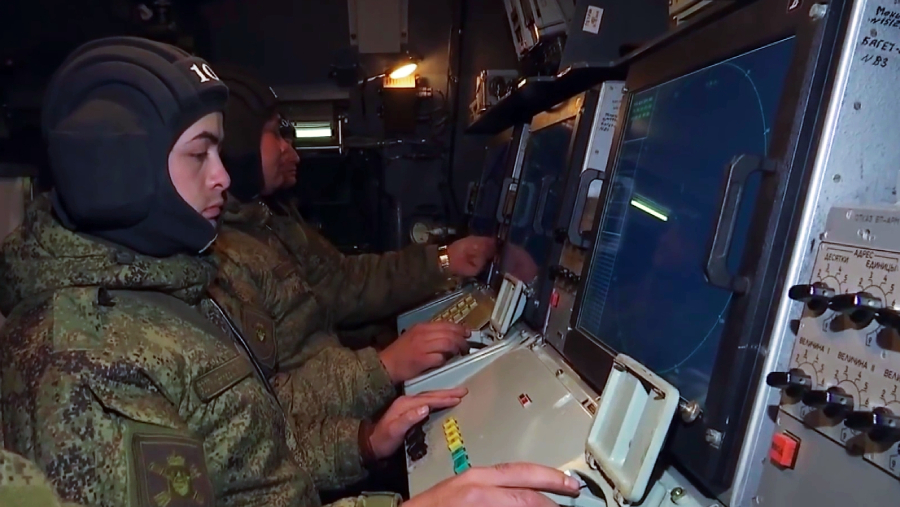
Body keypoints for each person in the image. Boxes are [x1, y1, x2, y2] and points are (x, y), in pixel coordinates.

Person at [0, 36, 581, 507]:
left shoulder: (172, 285)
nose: (221, 177)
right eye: (199, 154)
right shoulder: (79, 367)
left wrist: (362, 442)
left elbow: (256, 460)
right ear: (123, 171)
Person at [209, 66, 494, 489]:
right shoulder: (222, 259)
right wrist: (384, 366)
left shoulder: (270, 221)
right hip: (324, 443)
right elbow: (267, 408)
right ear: (240, 145)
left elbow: (343, 282)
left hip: (339, 425)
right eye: (274, 134)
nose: (290, 150)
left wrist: (443, 261)